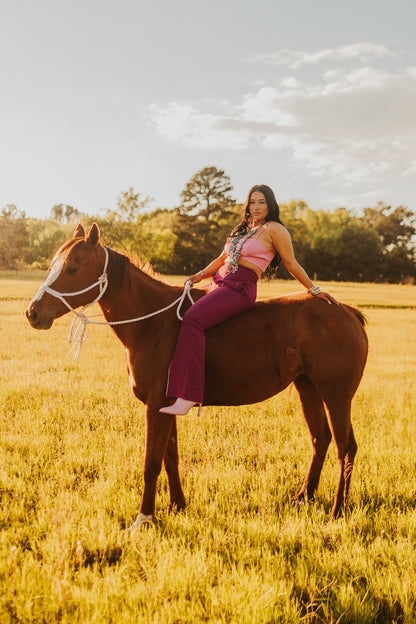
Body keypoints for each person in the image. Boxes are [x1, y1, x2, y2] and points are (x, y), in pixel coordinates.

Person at [160, 184, 336, 416]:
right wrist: (201, 274)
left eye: (261, 202)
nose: (256, 207)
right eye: (252, 202)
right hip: (218, 282)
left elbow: (291, 264)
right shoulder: (242, 229)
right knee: (178, 310)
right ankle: (167, 384)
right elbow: (222, 258)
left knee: (192, 320)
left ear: (270, 204)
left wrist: (314, 289)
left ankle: (188, 396)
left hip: (239, 288)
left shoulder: (275, 230)